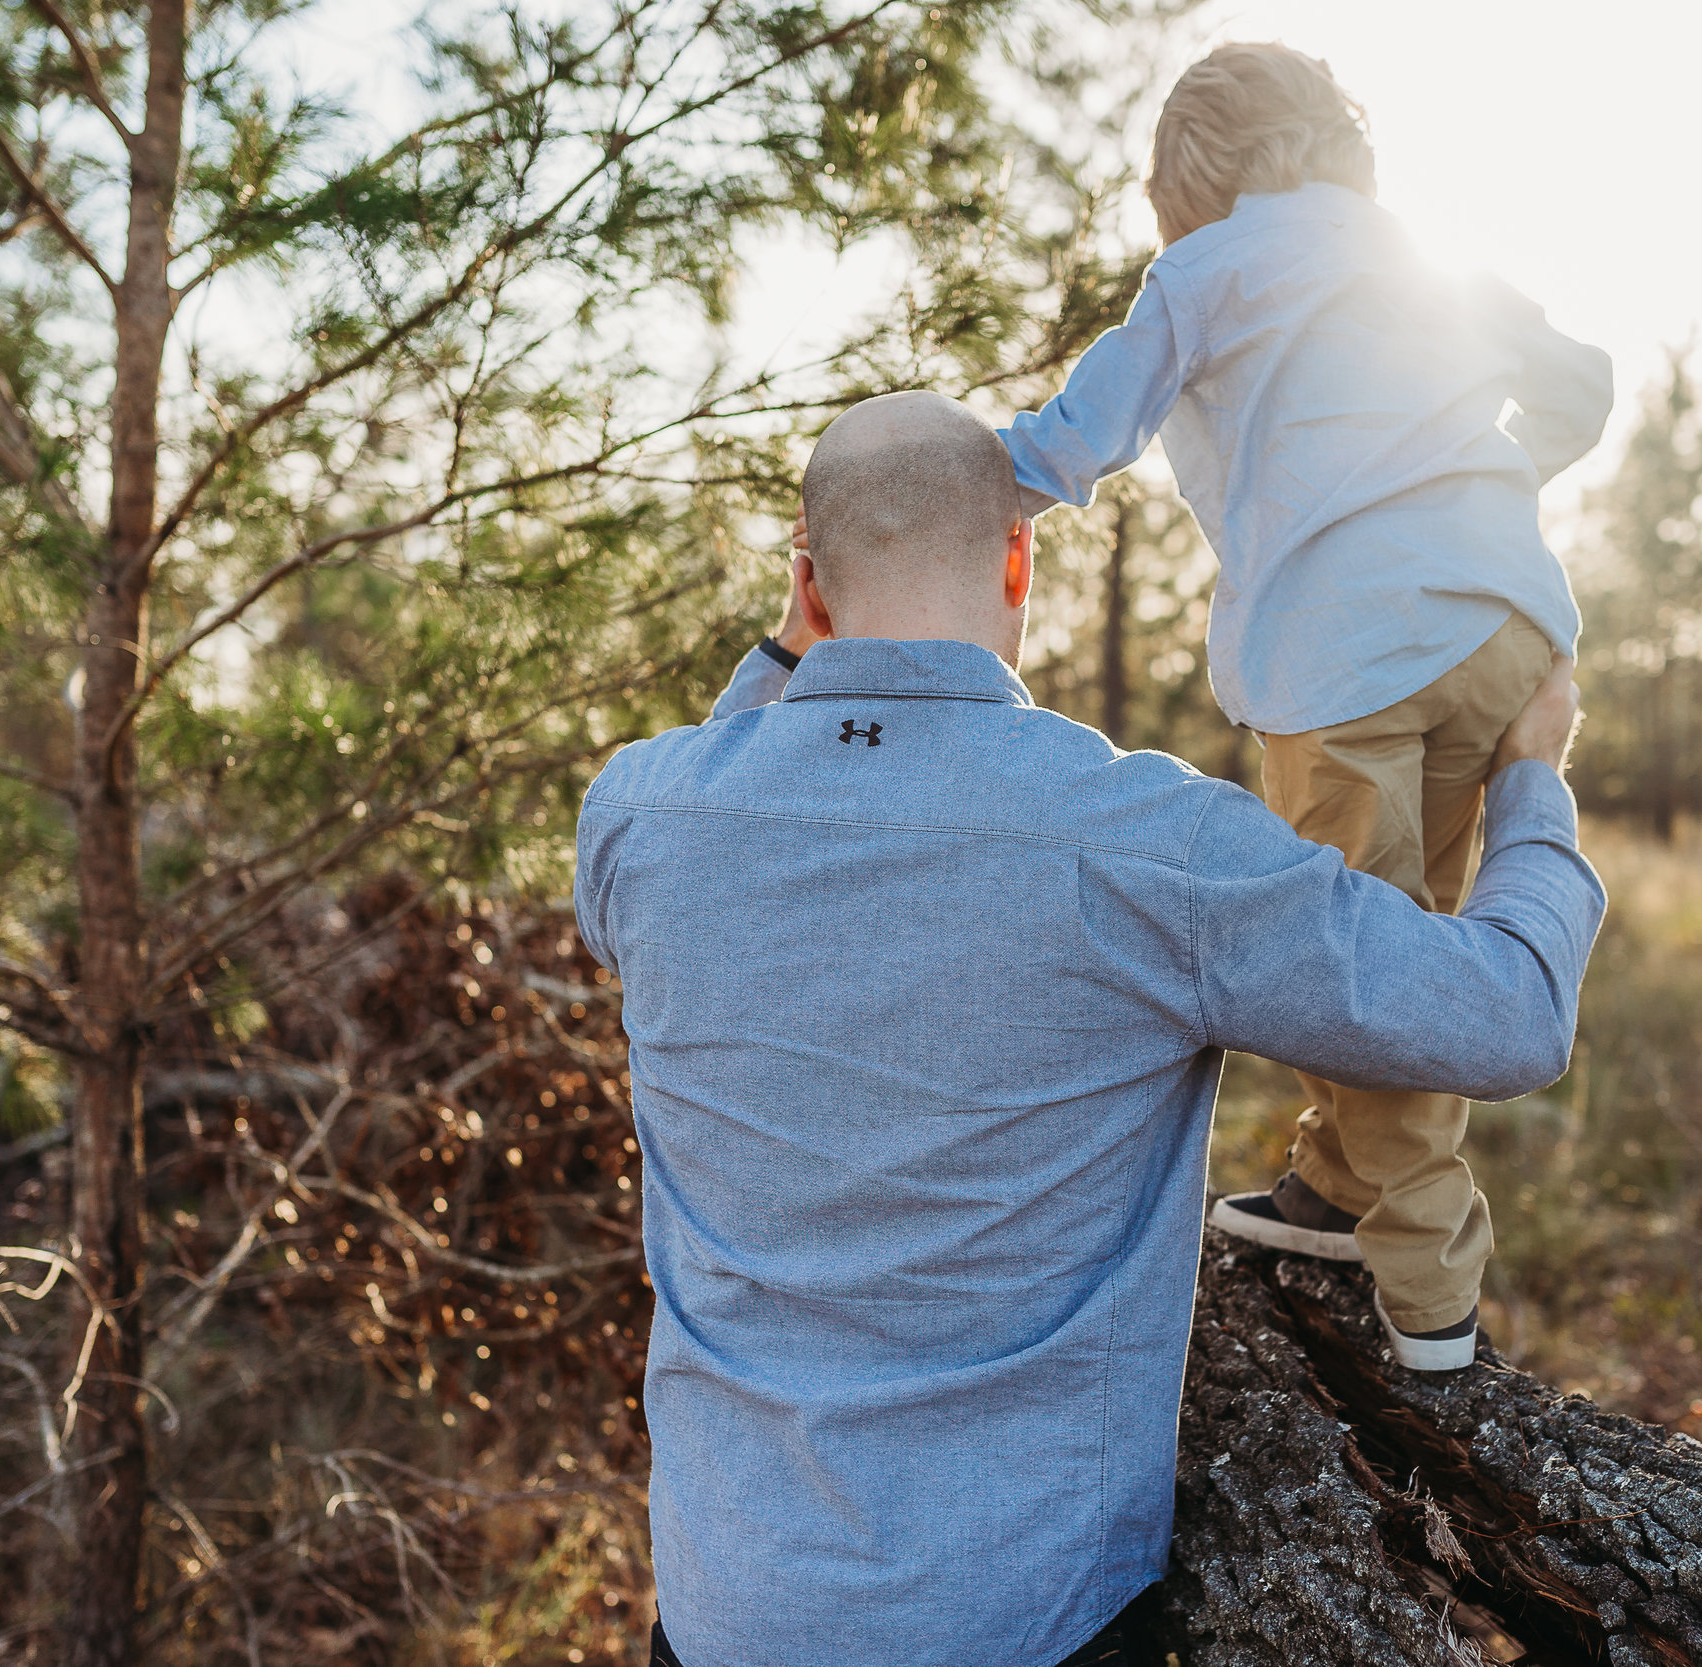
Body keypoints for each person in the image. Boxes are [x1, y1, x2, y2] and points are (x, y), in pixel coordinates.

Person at [574, 390, 1603, 1667]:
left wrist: (790, 659)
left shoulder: (639, 816)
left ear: (809, 582)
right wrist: (1532, 780)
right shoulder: (1147, 843)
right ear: (1020, 557)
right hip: (1023, 1618)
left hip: (726, 1607)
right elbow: (1505, 1014)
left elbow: (717, 793)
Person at [991, 42, 1617, 1370]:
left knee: (1359, 971)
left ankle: (1434, 1294)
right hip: (1507, 627)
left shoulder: (1208, 267)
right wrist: (1487, 478)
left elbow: (1077, 436)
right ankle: (1333, 1189)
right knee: (1410, 928)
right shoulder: (1416, 253)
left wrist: (960, 479)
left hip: (1344, 664)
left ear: (1193, 180)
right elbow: (1580, 385)